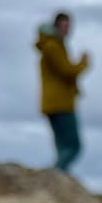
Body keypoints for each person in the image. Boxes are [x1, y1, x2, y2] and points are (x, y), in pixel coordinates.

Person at [35, 12, 89, 172]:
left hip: (55, 103)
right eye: (64, 25)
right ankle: (56, 175)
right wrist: (83, 63)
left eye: (69, 25)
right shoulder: (53, 46)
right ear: (56, 26)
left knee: (63, 147)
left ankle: (59, 178)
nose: (67, 29)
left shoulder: (54, 46)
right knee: (74, 146)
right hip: (60, 104)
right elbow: (66, 72)